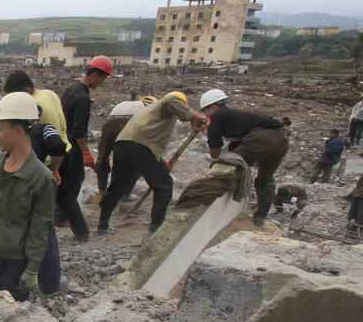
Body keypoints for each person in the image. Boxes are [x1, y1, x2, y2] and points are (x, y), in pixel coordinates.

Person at [0, 92, 66, 301]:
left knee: (8, 313)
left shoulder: (42, 178)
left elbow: (40, 228)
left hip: (14, 262)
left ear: (18, 130)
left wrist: (32, 269)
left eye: (0, 128)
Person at [97, 93, 208, 234]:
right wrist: (194, 117)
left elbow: (150, 141)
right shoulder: (166, 103)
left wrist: (161, 163)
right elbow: (170, 99)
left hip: (123, 145)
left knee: (116, 187)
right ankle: (156, 229)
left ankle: (102, 226)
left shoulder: (151, 113)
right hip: (140, 147)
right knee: (164, 186)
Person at [200, 88, 289, 226]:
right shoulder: (239, 118)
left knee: (226, 164)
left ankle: (206, 198)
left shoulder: (217, 116)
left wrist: (217, 162)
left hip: (263, 138)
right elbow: (239, 144)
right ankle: (260, 217)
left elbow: (215, 150)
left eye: (205, 111)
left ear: (213, 107)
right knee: (265, 179)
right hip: (282, 138)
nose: (205, 116)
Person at [57, 55, 114, 241]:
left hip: (63, 144)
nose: (102, 82)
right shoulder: (82, 97)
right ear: (94, 75)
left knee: (68, 184)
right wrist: (86, 152)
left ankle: (59, 217)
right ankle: (81, 231)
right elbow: (79, 129)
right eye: (103, 78)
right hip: (73, 147)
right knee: (70, 189)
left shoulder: (71, 90)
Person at [94, 95, 157, 198]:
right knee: (136, 161)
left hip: (110, 122)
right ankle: (125, 194)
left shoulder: (126, 103)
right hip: (131, 122)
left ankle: (102, 191)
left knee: (103, 156)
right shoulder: (152, 106)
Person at [2, 70, 71, 160]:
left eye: (14, 96)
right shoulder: (50, 93)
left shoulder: (30, 105)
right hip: (65, 150)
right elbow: (62, 123)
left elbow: (27, 138)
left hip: (47, 160)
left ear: (27, 90)